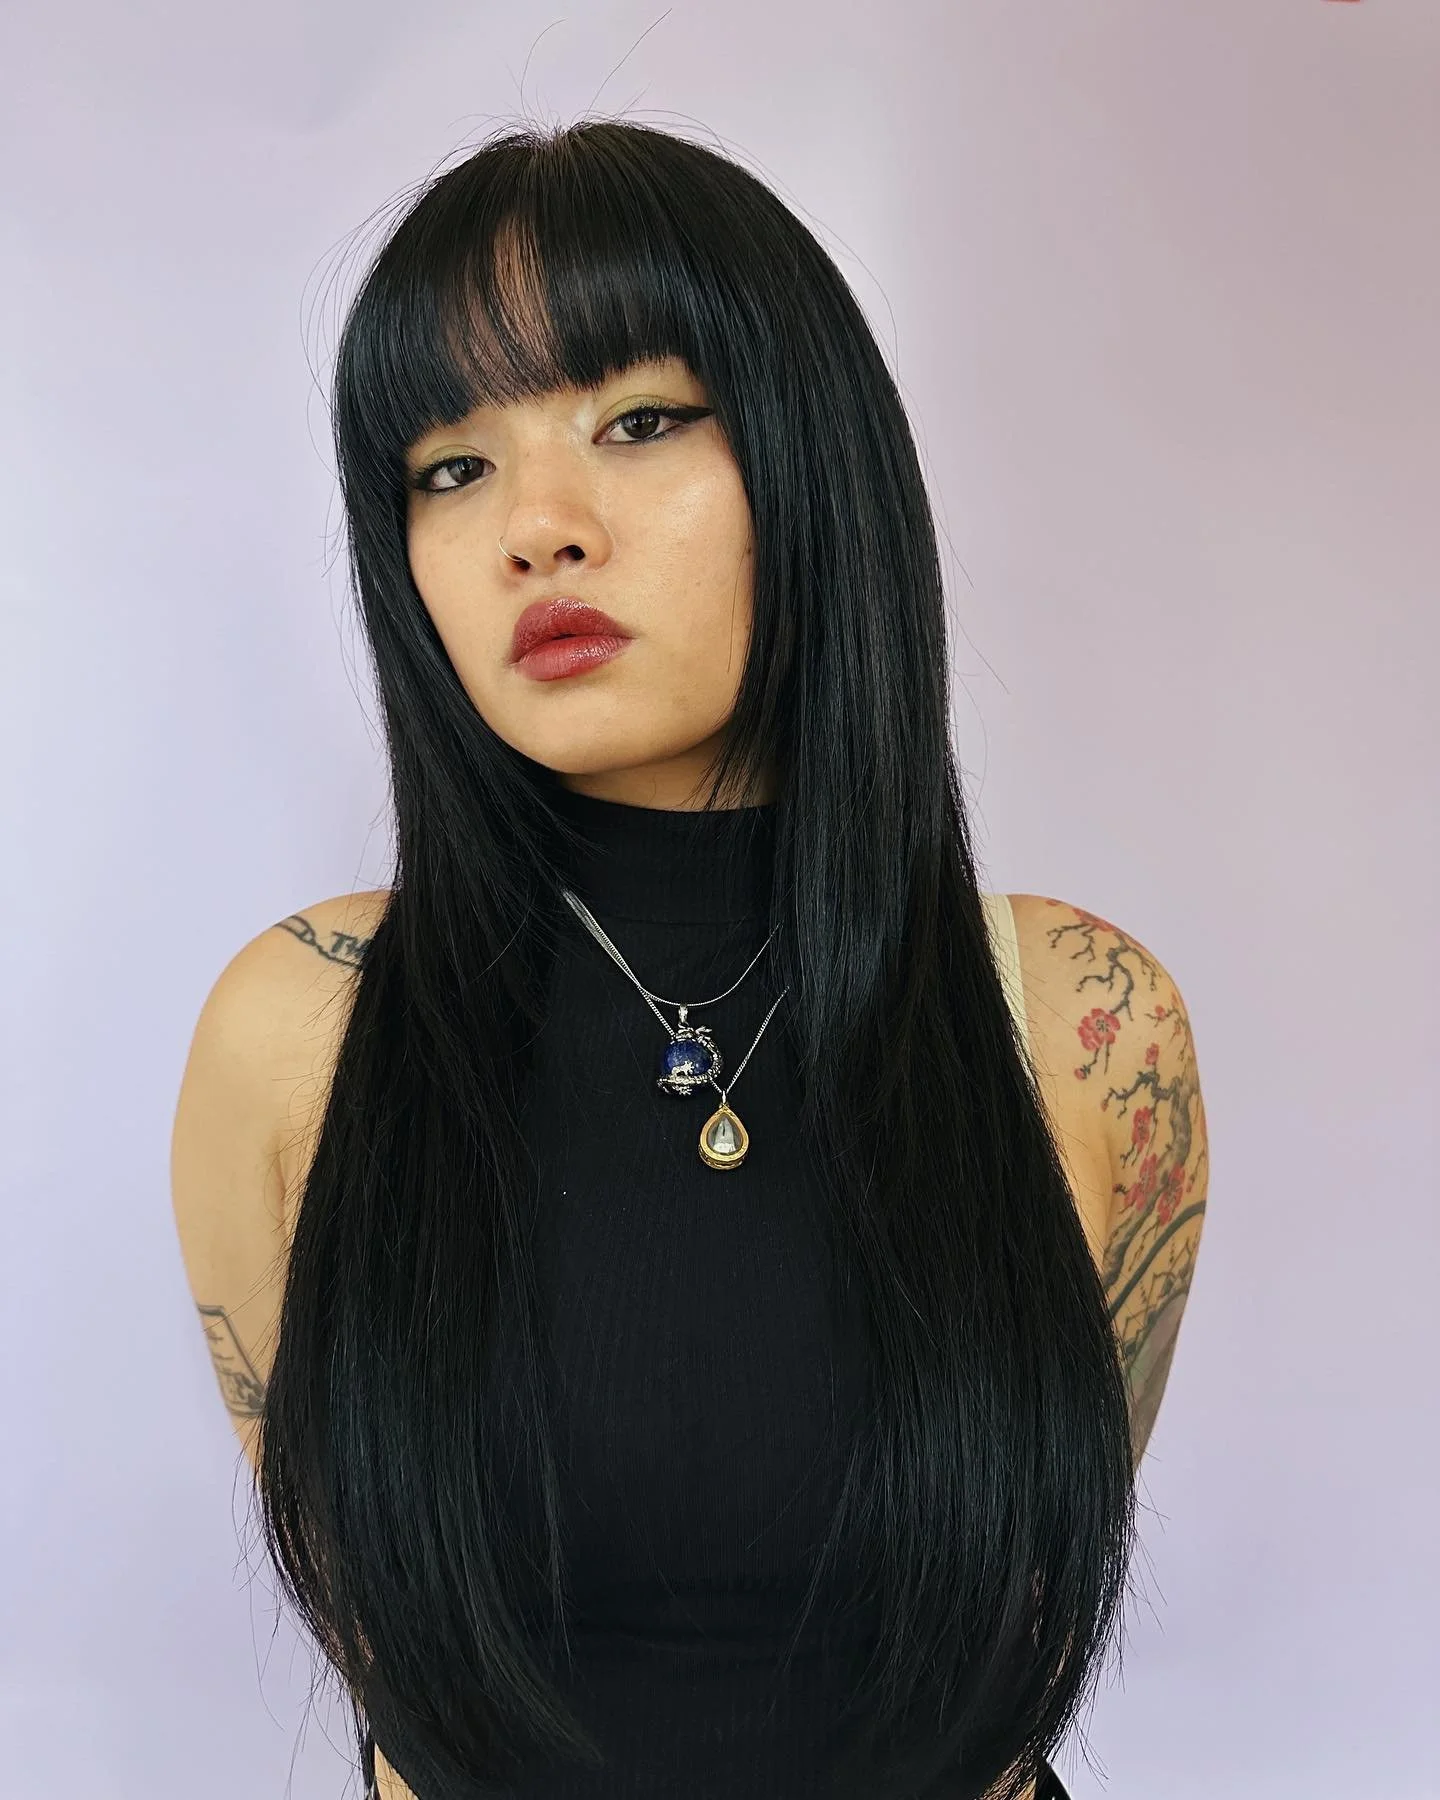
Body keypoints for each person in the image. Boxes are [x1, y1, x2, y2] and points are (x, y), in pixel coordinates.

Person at [170, 118, 1210, 1800]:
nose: (538, 528)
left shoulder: (1082, 1026)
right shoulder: (303, 1028)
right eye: (452, 465)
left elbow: (1015, 1592)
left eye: (640, 419)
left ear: (812, 455)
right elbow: (393, 1627)